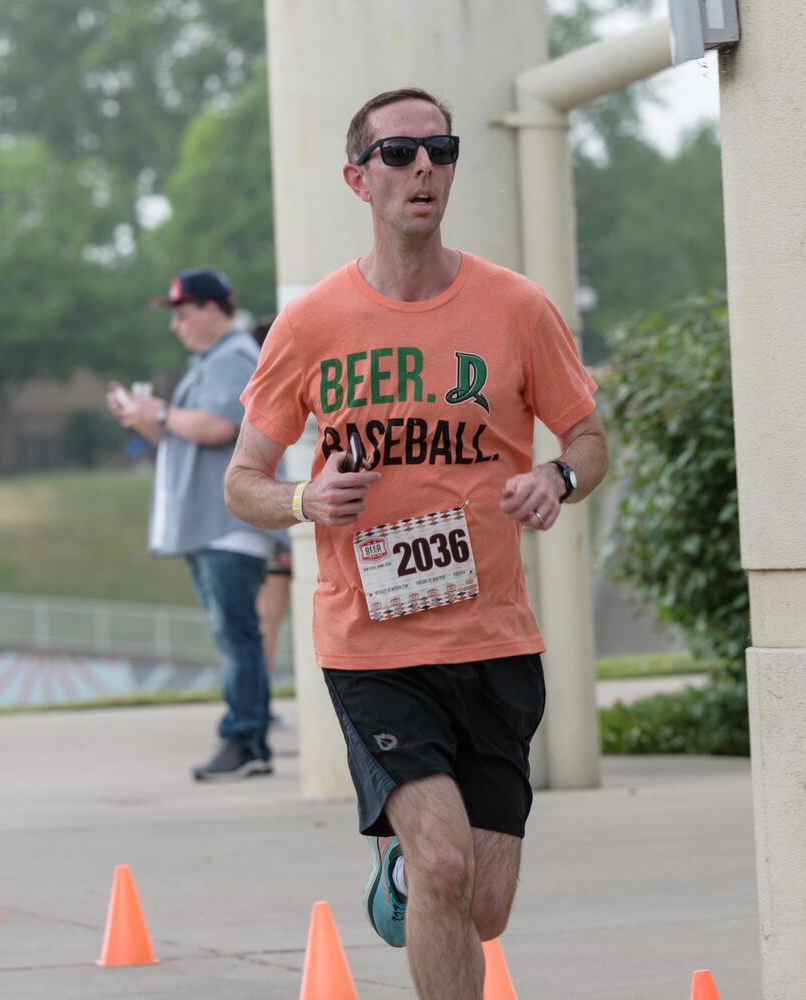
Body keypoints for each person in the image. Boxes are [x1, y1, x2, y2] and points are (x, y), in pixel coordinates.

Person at [223, 88, 609, 999]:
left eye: (439, 149)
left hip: (495, 639)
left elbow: (589, 441)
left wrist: (554, 480)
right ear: (359, 179)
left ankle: (398, 872)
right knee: (442, 863)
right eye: (399, 154)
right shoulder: (312, 324)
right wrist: (304, 500)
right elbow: (242, 480)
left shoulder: (516, 308)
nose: (423, 167)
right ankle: (414, 862)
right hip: (372, 643)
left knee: (482, 904)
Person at [107, 267, 276, 782]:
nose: (177, 325)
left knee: (236, 636)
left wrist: (159, 411)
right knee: (234, 636)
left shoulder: (232, 358)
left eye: (182, 314)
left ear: (210, 309)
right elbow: (187, 437)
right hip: (211, 523)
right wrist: (149, 420)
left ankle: (245, 739)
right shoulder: (210, 361)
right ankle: (246, 736)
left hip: (228, 524)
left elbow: (218, 426)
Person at [250, 313, 293, 671]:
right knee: (268, 619)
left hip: (284, 526)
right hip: (287, 526)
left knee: (268, 620)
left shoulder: (266, 388)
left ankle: (262, 699)